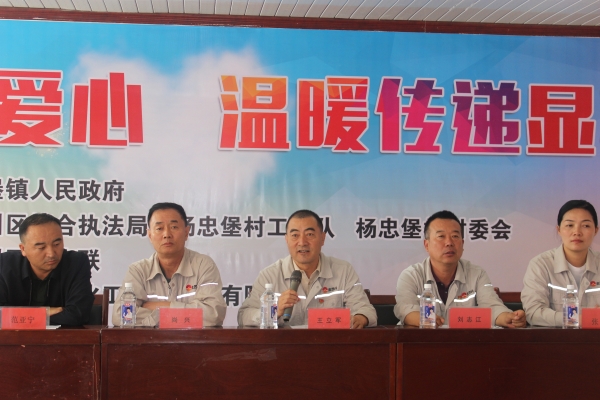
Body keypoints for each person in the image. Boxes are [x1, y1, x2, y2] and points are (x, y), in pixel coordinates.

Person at [238, 209, 376, 328]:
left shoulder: (344, 271)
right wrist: (273, 310)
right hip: (283, 347)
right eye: (295, 235)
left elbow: (365, 309)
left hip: (330, 346)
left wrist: (359, 318)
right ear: (287, 239)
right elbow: (244, 316)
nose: (302, 242)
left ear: (322, 238)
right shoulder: (269, 275)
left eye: (309, 234)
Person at [395, 210, 526, 328]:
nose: (449, 242)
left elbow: (491, 305)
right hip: (421, 343)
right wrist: (426, 319)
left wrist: (509, 318)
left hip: (465, 343)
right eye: (441, 236)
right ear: (426, 245)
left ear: (462, 244)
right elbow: (404, 308)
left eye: (455, 236)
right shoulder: (411, 275)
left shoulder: (477, 274)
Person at [112, 202, 226, 327]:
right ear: (150, 235)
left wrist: (162, 307)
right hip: (151, 340)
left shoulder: (203, 266)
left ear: (186, 232)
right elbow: (120, 315)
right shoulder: (138, 271)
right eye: (159, 228)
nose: (166, 234)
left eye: (174, 227)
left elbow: (213, 315)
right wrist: (177, 315)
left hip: (192, 339)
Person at [0, 213, 94, 325]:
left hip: (62, 335)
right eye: (41, 247)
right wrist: (44, 312)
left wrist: (20, 317)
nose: (51, 253)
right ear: (23, 249)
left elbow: (79, 314)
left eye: (57, 244)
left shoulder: (76, 263)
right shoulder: (4, 264)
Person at [522, 200, 600, 326]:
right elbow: (534, 312)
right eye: (570, 225)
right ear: (558, 229)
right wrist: (580, 319)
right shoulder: (541, 265)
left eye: (586, 226)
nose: (577, 232)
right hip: (555, 338)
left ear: (596, 230)